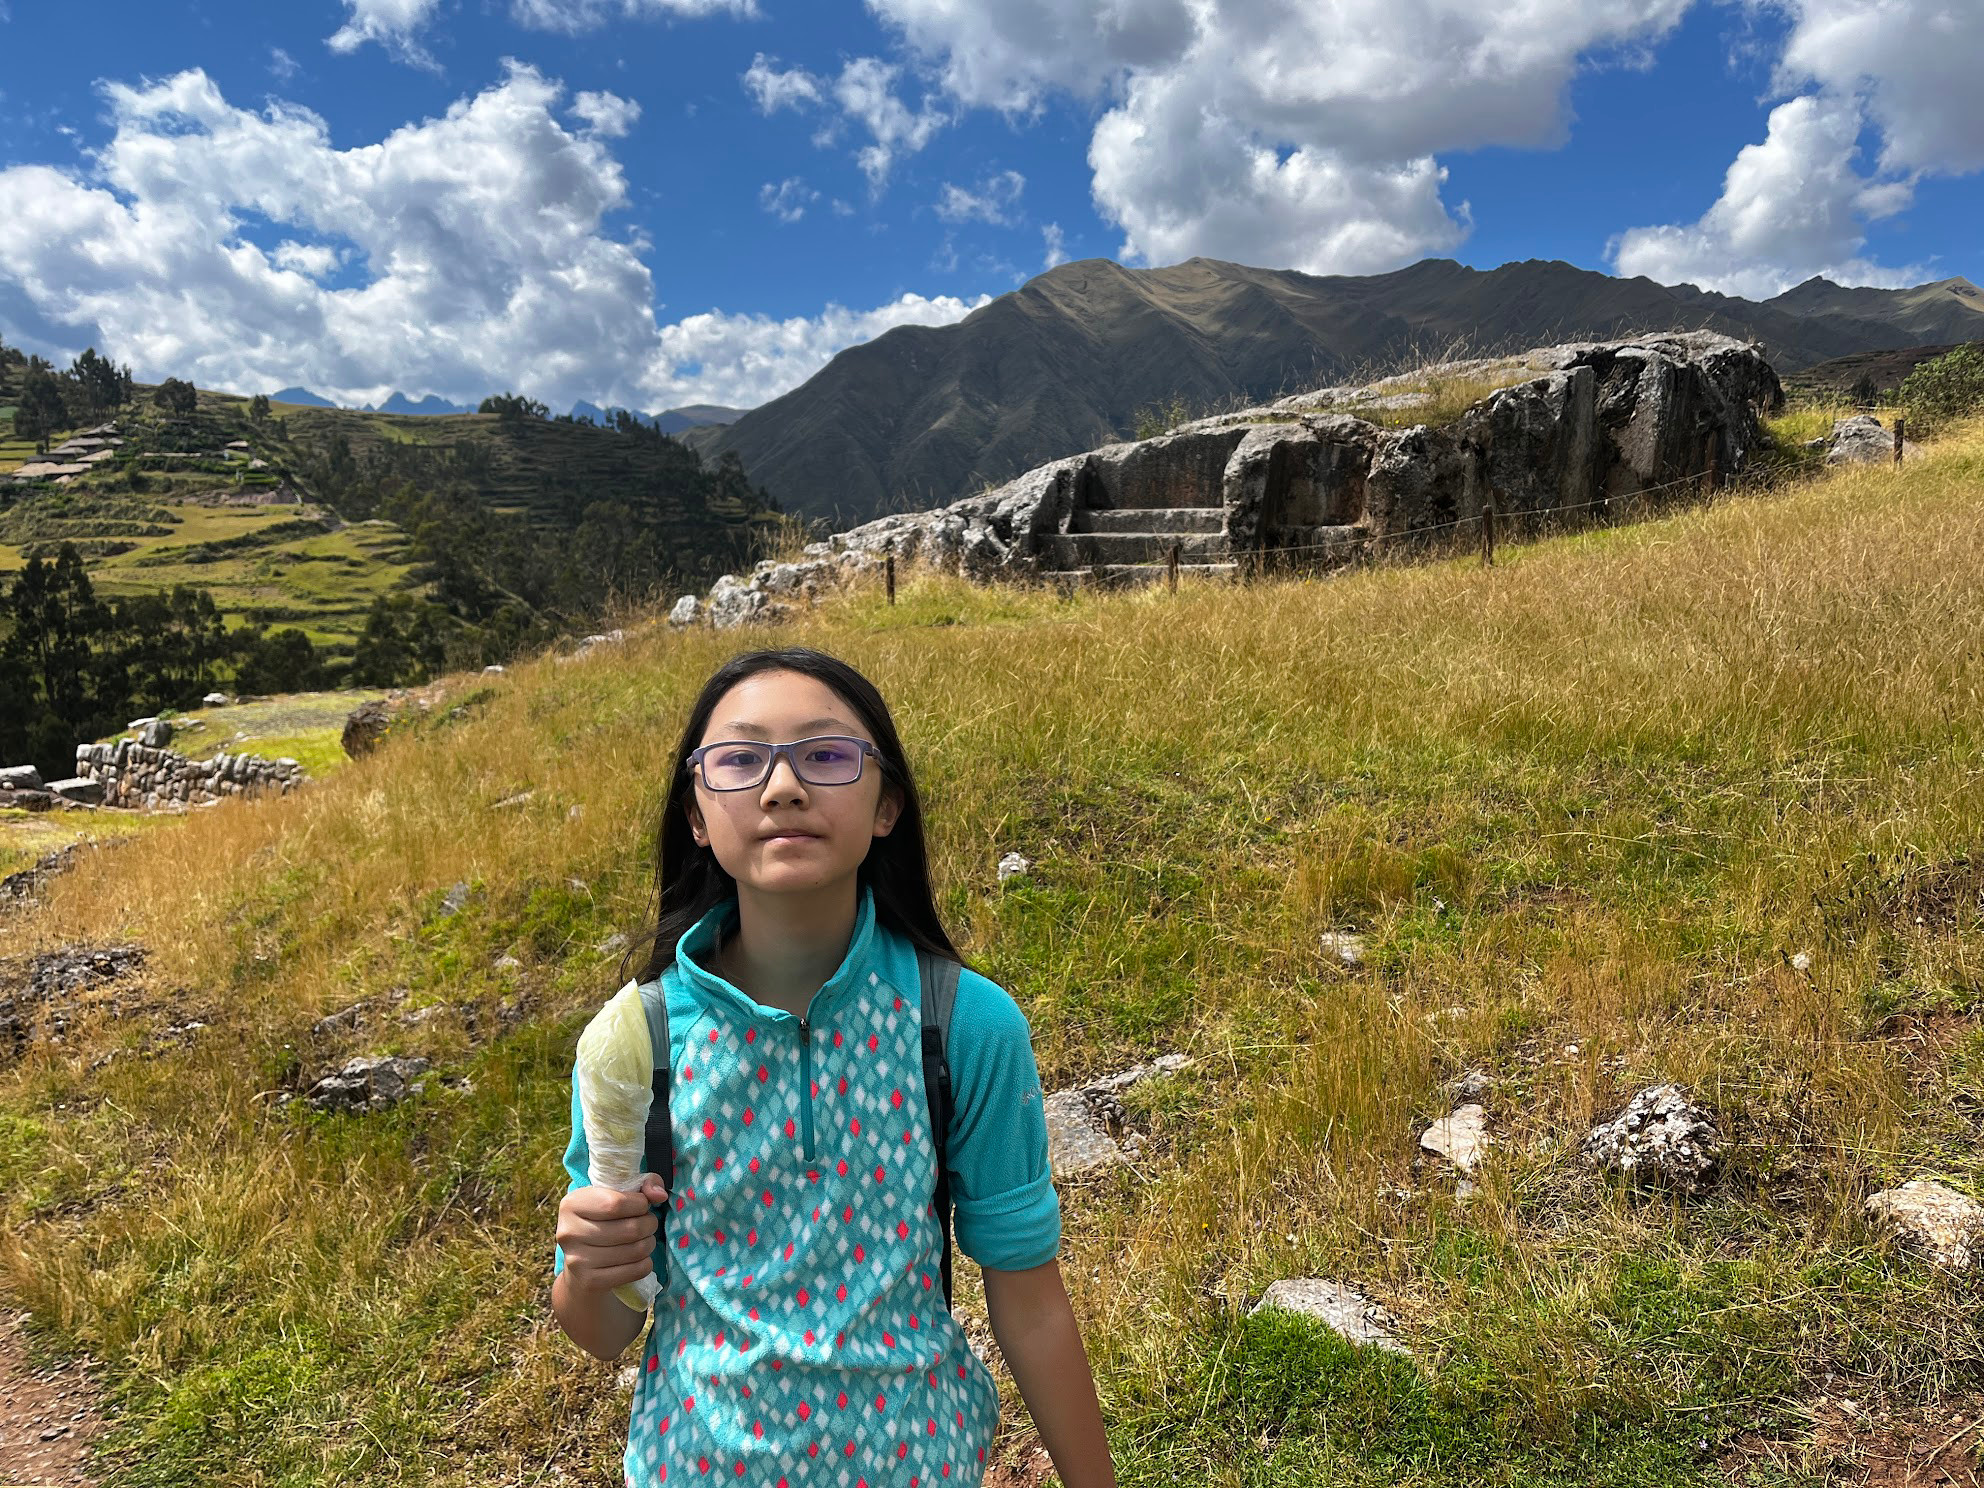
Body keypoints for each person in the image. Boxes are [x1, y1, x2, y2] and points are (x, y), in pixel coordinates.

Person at [552, 646, 1117, 1488]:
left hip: (922, 1465)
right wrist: (593, 1270)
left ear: (887, 803)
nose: (783, 787)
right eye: (739, 759)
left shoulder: (963, 1024)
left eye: (826, 755)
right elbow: (600, 1332)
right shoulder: (637, 1040)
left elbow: (1030, 1303)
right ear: (697, 817)